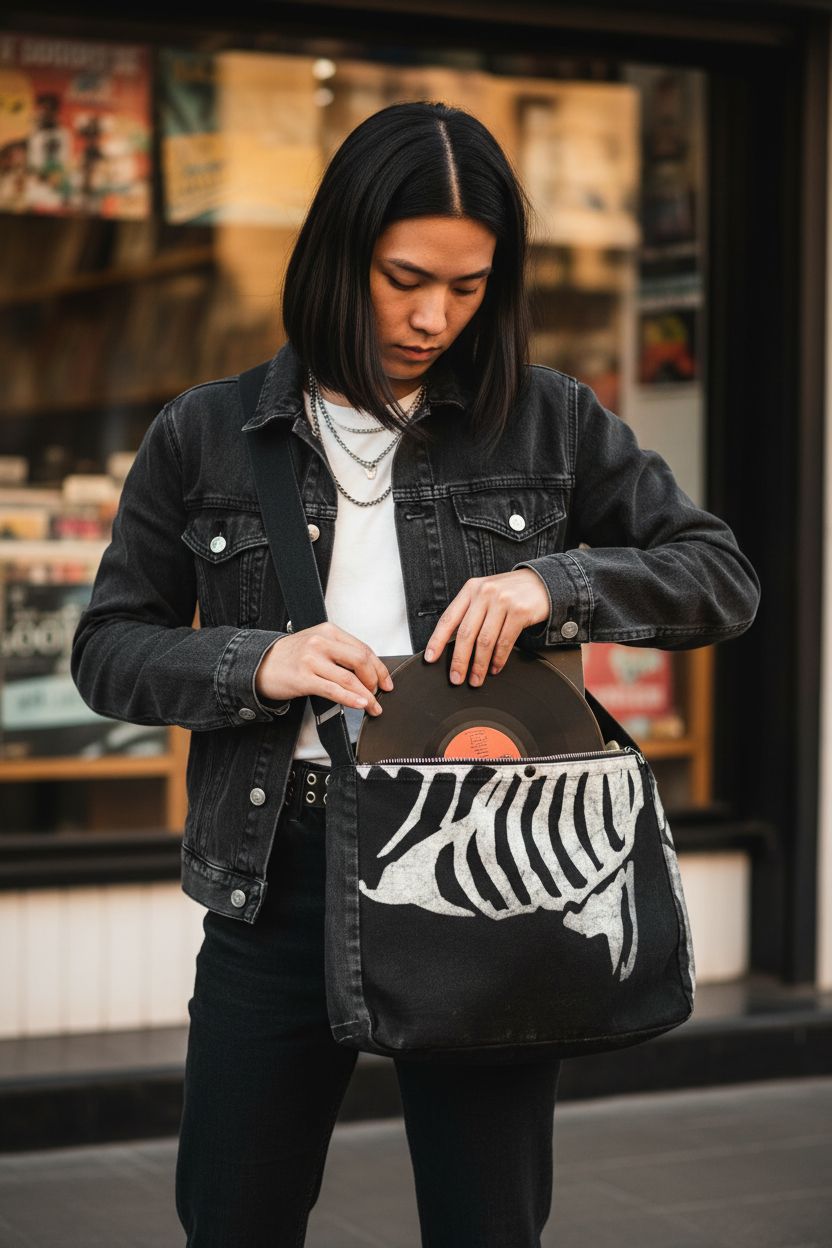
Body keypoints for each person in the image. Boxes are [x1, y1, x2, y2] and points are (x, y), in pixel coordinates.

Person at [71, 100, 760, 1247]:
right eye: (403, 279)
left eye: (468, 286)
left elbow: (720, 575)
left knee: (486, 1226)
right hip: (275, 878)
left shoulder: (546, 422)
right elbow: (107, 647)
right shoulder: (204, 434)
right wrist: (262, 662)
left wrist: (558, 584)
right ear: (338, 252)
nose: (434, 317)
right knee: (233, 1220)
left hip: (488, 872)